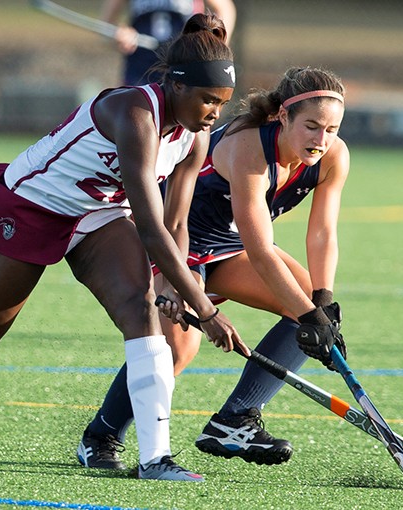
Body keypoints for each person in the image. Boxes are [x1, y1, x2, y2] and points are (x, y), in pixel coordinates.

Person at [0, 13, 247, 483]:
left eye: (222, 103)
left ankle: (155, 458)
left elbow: (176, 221)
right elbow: (149, 226)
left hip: (100, 215)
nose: (214, 113)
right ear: (176, 86)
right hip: (32, 205)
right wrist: (206, 308)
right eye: (208, 100)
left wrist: (172, 283)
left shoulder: (197, 138)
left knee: (143, 311)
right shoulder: (134, 113)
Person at [77, 66, 348, 469]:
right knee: (176, 349)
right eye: (311, 126)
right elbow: (260, 249)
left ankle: (234, 420)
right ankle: (100, 436)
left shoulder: (333, 157)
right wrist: (311, 316)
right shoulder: (248, 149)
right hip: (175, 240)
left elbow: (323, 232)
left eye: (331, 129)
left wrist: (321, 302)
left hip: (228, 246)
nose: (321, 140)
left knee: (307, 300)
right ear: (282, 116)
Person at [102, 0, 236, 86]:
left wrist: (213, 46)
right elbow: (106, 27)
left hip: (183, 65)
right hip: (140, 68)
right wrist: (119, 34)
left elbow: (226, 9)